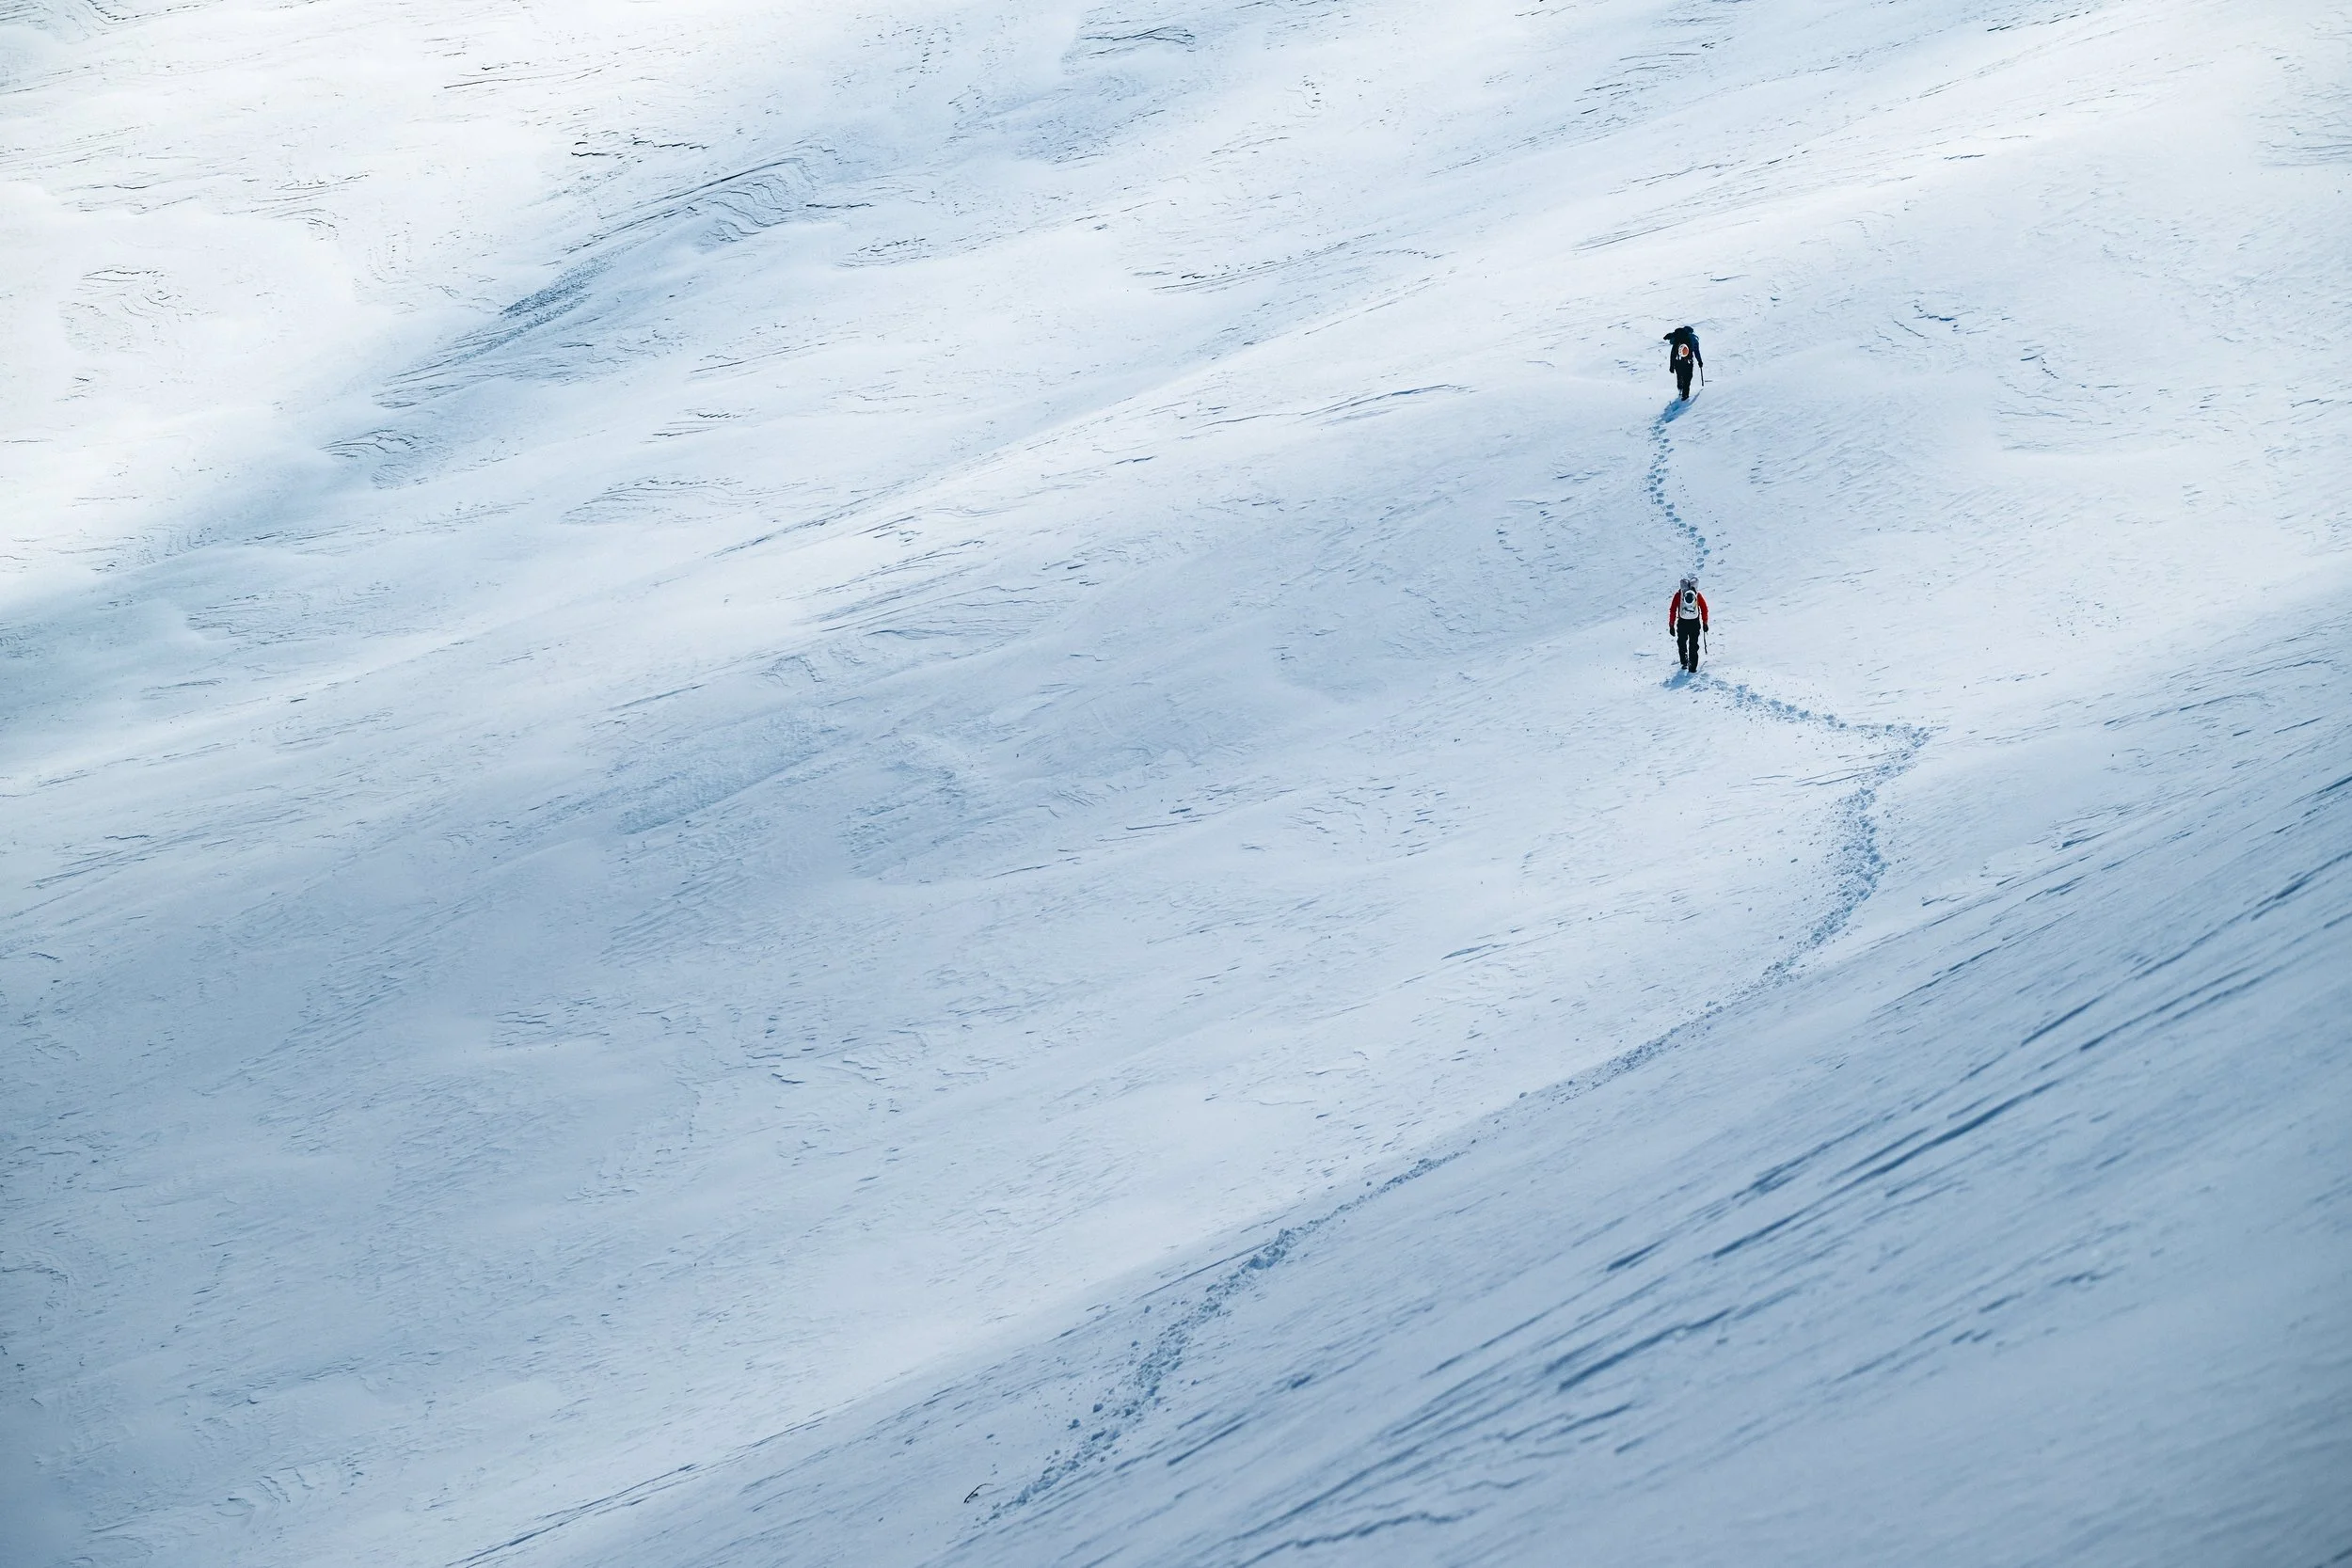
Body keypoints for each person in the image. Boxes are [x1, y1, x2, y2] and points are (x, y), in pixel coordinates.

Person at [1668, 575, 1708, 672]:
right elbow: (1704, 609)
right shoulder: (1697, 595)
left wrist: (1671, 625)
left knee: (1681, 642)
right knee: (1693, 643)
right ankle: (1693, 666)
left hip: (1682, 622)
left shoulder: (1679, 595)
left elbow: (1673, 610)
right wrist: (1705, 622)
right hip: (1695, 622)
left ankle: (1684, 662)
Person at [1663, 325, 1703, 400]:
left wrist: (1671, 366)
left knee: (1680, 374)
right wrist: (1700, 361)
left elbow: (1673, 354)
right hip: (1688, 361)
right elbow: (1696, 352)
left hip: (1677, 362)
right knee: (1688, 377)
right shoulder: (1692, 338)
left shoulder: (1677, 339)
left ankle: (1680, 385)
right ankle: (1685, 395)